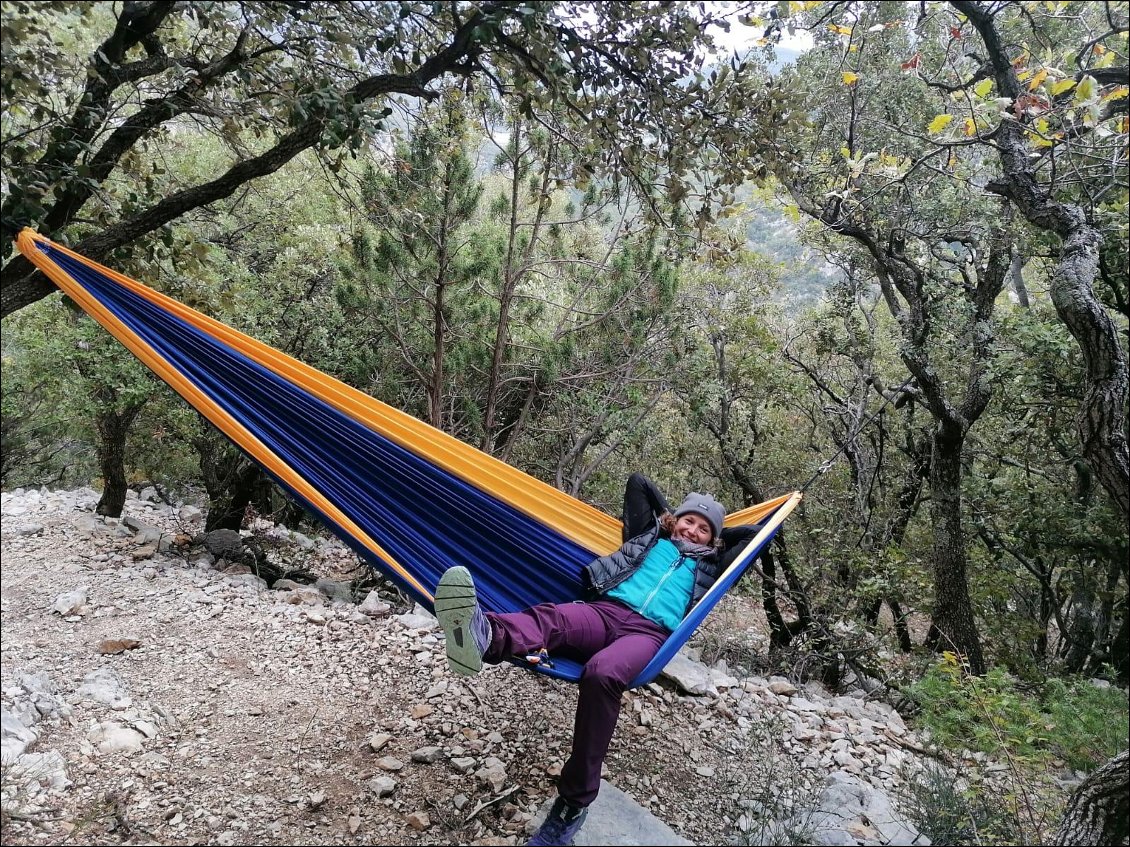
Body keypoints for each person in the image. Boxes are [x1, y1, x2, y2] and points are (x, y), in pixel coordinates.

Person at [433, 472, 729, 846]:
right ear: (675, 519)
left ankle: (573, 805)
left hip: (647, 635)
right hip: (605, 611)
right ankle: (483, 636)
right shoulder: (649, 535)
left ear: (714, 539)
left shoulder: (711, 570)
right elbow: (637, 483)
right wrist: (670, 517)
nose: (693, 530)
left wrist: (723, 534)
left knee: (603, 673)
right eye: (689, 520)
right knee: (553, 618)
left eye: (704, 528)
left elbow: (749, 543)